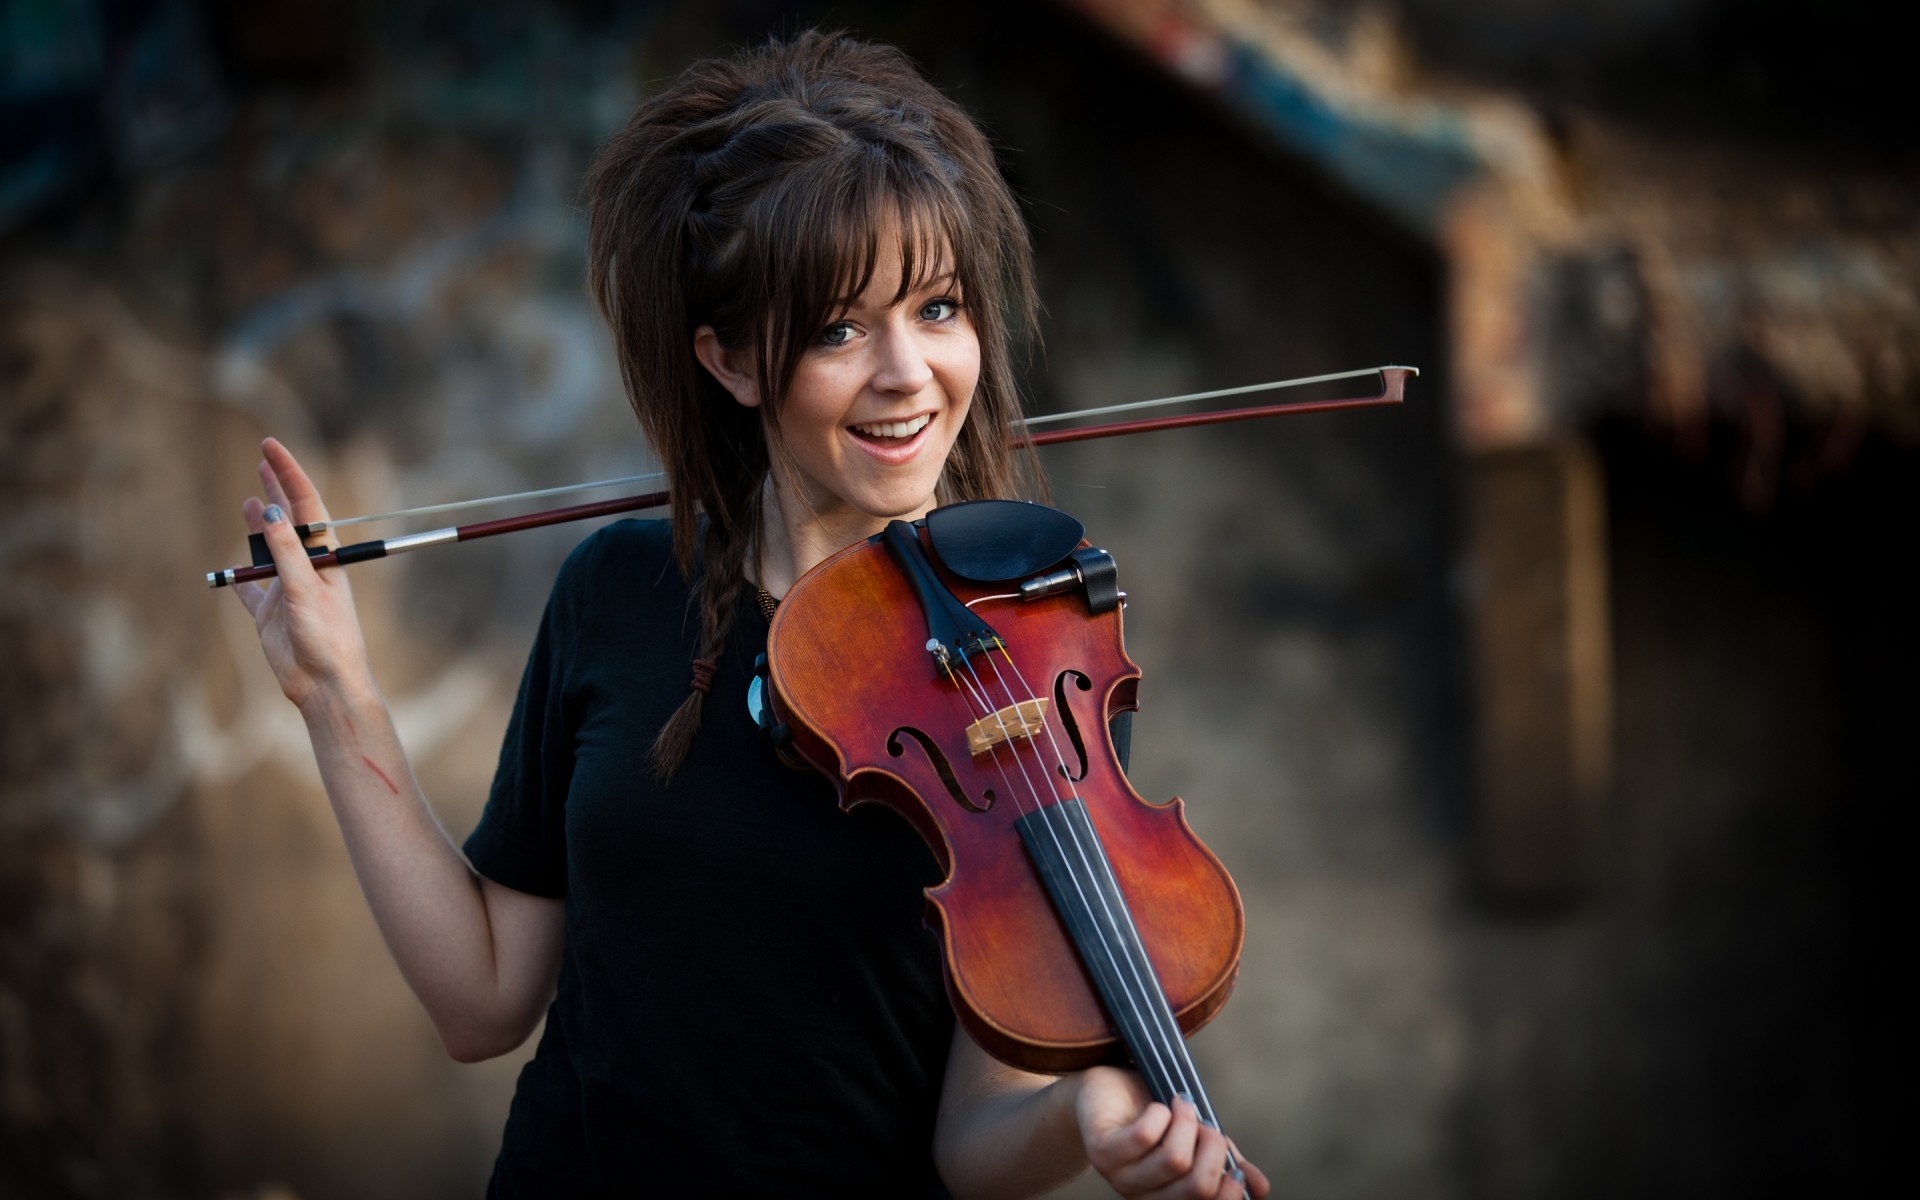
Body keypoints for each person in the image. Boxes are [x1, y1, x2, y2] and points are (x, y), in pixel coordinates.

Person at [232, 31, 1268, 1199]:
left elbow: (967, 1145)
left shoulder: (1039, 644)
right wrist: (335, 692)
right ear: (728, 362)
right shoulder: (620, 593)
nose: (907, 374)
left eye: (938, 308)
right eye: (836, 330)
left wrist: (1083, 1113)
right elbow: (479, 1003)